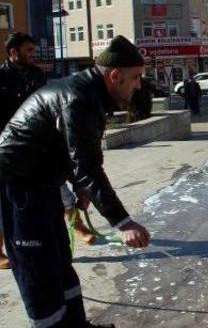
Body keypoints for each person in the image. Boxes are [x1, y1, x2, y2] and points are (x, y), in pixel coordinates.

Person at [0, 35, 151, 327]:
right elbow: (88, 166)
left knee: (59, 261)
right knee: (37, 269)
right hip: (18, 187)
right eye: (135, 78)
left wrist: (79, 187)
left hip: (42, 184)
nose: (139, 85)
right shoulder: (80, 98)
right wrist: (123, 222)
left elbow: (69, 148)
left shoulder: (90, 92)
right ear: (115, 75)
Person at [0, 32, 47, 269]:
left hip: (35, 146)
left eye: (33, 50)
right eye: (28, 50)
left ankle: (68, 227)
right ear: (13, 52)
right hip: (5, 149)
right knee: (4, 200)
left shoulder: (37, 76)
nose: (33, 54)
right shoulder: (1, 78)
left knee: (49, 190)